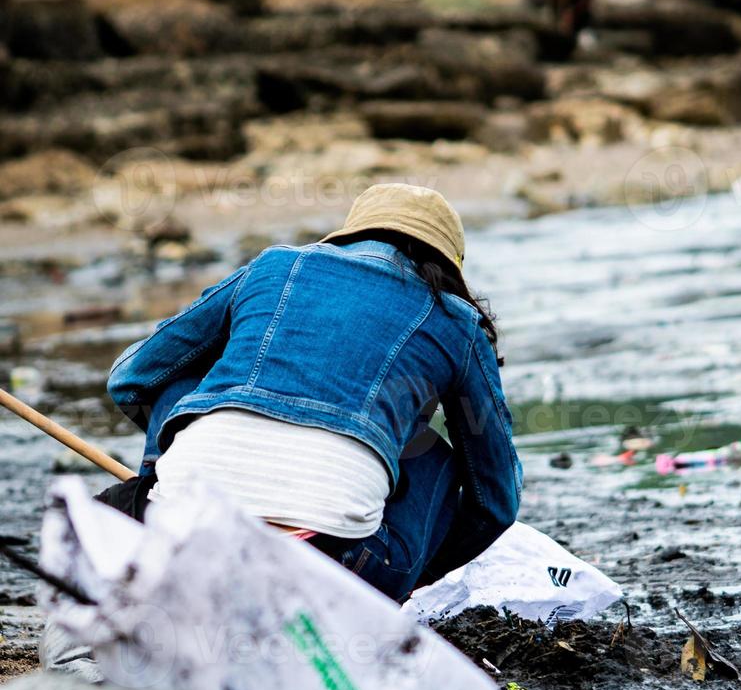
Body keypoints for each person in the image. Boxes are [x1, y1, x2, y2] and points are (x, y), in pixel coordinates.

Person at [101, 184, 522, 603]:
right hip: (341, 568)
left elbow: (131, 376)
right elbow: (495, 502)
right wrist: (416, 575)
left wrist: (162, 469)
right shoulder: (457, 320)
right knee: (434, 455)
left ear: (351, 235)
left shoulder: (274, 265)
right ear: (446, 265)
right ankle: (369, 603)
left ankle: (148, 521)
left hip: (180, 526)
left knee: (182, 386)